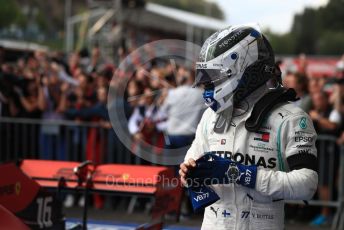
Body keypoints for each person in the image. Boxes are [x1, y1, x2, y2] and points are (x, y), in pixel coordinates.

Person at [179, 24, 318, 230]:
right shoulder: (210, 116)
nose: (208, 86)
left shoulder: (291, 118)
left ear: (243, 69)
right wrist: (188, 173)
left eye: (215, 77)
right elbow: (190, 164)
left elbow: (307, 184)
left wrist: (242, 173)